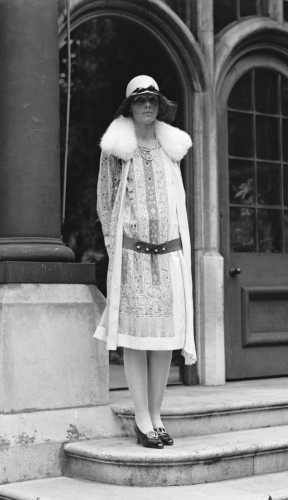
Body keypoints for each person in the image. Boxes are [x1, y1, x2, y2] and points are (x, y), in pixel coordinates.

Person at [94, 75, 196, 449]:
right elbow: (105, 202)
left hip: (168, 255)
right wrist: (116, 248)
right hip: (133, 257)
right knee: (137, 340)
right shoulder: (116, 151)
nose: (148, 106)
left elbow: (175, 203)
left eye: (153, 100)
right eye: (140, 101)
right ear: (130, 108)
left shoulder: (171, 150)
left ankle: (157, 415)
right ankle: (140, 419)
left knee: (164, 339)